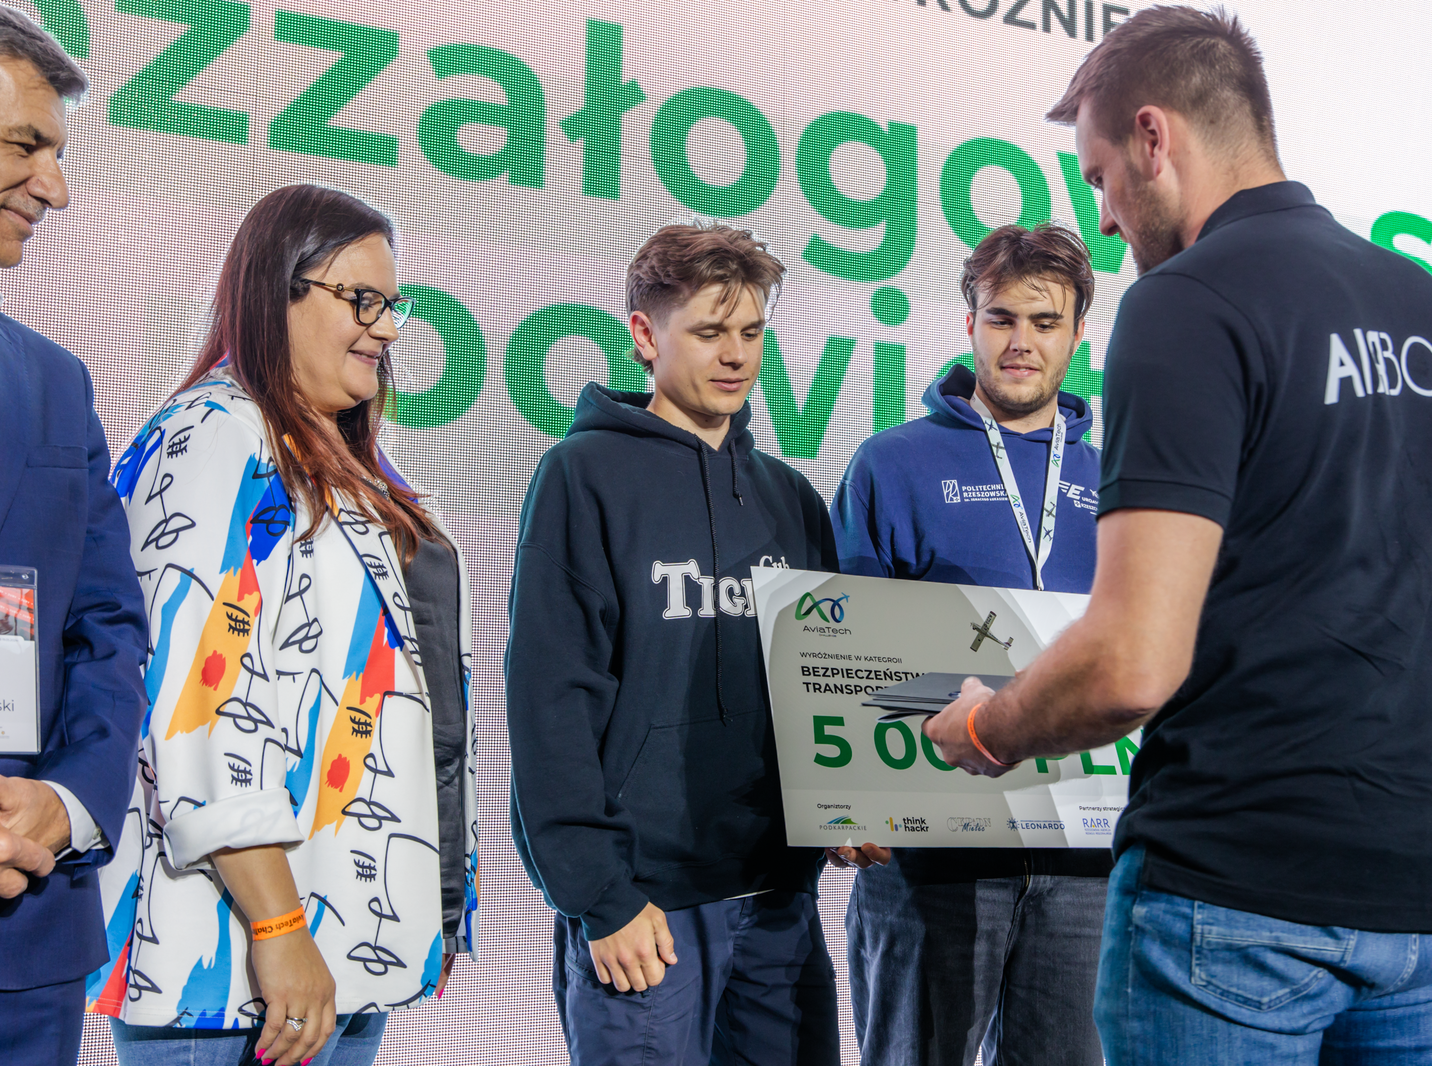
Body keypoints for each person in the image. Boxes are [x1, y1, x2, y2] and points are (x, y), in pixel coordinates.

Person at [921, 8, 1432, 1063]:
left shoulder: (1186, 301)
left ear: (1153, 137)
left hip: (1241, 901)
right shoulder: (1427, 306)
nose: (1106, 221)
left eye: (1098, 177)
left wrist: (987, 728)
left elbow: (1130, 661)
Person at [89, 184, 478, 1066]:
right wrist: (277, 924)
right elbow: (198, 709)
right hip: (233, 970)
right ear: (277, 292)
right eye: (362, 300)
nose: (387, 329)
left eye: (393, 305)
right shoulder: (215, 436)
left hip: (336, 957)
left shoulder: (333, 457)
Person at [505, 220, 840, 1066]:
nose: (736, 355)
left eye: (752, 333)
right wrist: (600, 895)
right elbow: (551, 700)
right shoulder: (582, 476)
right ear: (646, 334)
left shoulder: (793, 498)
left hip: (778, 904)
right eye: (710, 331)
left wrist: (852, 804)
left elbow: (828, 684)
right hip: (645, 914)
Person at [828, 221, 1106, 1066]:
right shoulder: (892, 464)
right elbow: (840, 647)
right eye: (1001, 318)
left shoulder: (1117, 478)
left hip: (1086, 855)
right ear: (969, 324)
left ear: (1078, 335)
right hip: (931, 848)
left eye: (1045, 322)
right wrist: (843, 799)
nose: (1021, 342)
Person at [0, 11, 148, 1066]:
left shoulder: (57, 385)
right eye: (25, 146)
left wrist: (64, 805)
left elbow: (108, 631)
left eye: (57, 154)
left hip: (26, 946)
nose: (55, 189)